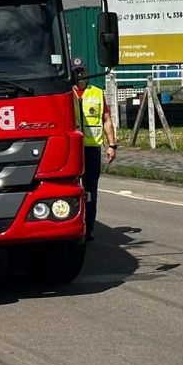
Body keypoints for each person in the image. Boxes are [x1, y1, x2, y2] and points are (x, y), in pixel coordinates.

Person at [73, 58, 116, 242]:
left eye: (81, 70)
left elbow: (106, 119)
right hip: (72, 149)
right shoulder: (66, 93)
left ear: (87, 71)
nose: (79, 74)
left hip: (91, 149)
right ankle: (72, 224)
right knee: (72, 189)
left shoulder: (97, 93)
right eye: (75, 71)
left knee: (90, 191)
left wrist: (112, 145)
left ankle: (88, 228)